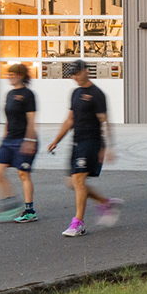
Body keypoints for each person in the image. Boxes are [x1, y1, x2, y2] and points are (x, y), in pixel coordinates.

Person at [45, 59, 121, 236]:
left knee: (78, 179)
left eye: (78, 73)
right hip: (77, 141)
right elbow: (70, 119)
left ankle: (78, 223)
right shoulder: (75, 93)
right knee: (72, 183)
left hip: (92, 141)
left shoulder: (97, 94)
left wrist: (107, 147)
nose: (75, 77)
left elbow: (105, 121)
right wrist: (57, 139)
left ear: (86, 71)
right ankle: (105, 203)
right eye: (73, 74)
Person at [0, 63, 39, 223]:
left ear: (21, 76)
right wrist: (4, 139)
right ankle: (10, 205)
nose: (9, 77)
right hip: (9, 140)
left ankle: (29, 211)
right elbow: (8, 120)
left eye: (13, 74)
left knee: (23, 174)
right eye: (8, 74)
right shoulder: (10, 94)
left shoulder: (28, 94)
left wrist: (30, 140)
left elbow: (31, 120)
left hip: (25, 139)